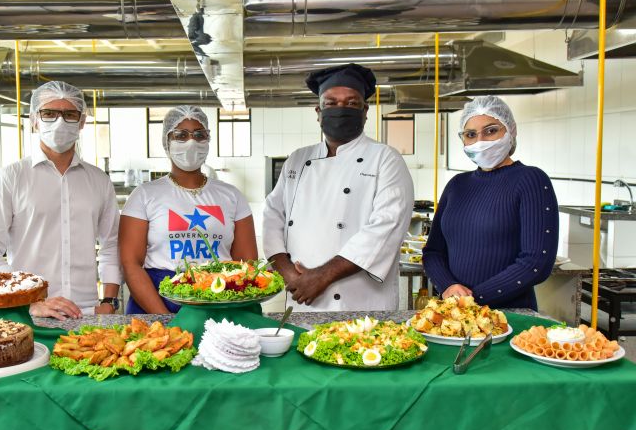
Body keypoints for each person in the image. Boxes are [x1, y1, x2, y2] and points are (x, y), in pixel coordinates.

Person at [263, 63, 415, 312]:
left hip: (359, 302)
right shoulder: (298, 158)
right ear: (318, 111)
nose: (340, 109)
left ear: (365, 111)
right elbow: (273, 215)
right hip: (303, 296)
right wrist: (288, 273)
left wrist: (321, 276)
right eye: (331, 103)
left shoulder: (386, 158)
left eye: (352, 103)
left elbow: (386, 227)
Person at [0, 81, 121, 320]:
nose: (60, 122)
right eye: (49, 114)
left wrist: (109, 301)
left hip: (87, 312)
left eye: (69, 114)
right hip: (29, 312)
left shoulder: (99, 181)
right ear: (34, 120)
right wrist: (29, 299)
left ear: (82, 122)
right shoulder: (10, 178)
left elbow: (111, 245)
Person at [422, 96, 558, 310]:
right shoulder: (457, 185)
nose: (481, 141)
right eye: (470, 135)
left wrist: (473, 300)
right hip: (455, 314)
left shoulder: (531, 180)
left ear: (511, 131)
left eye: (491, 130)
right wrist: (448, 286)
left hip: (509, 315)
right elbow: (433, 252)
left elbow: (536, 263)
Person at [119, 105, 258, 314]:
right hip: (156, 299)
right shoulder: (144, 195)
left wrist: (226, 304)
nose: (191, 142)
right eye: (181, 135)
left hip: (219, 299)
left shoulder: (232, 196)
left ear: (208, 140)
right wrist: (165, 319)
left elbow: (247, 265)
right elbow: (130, 264)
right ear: (167, 142)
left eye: (199, 135)